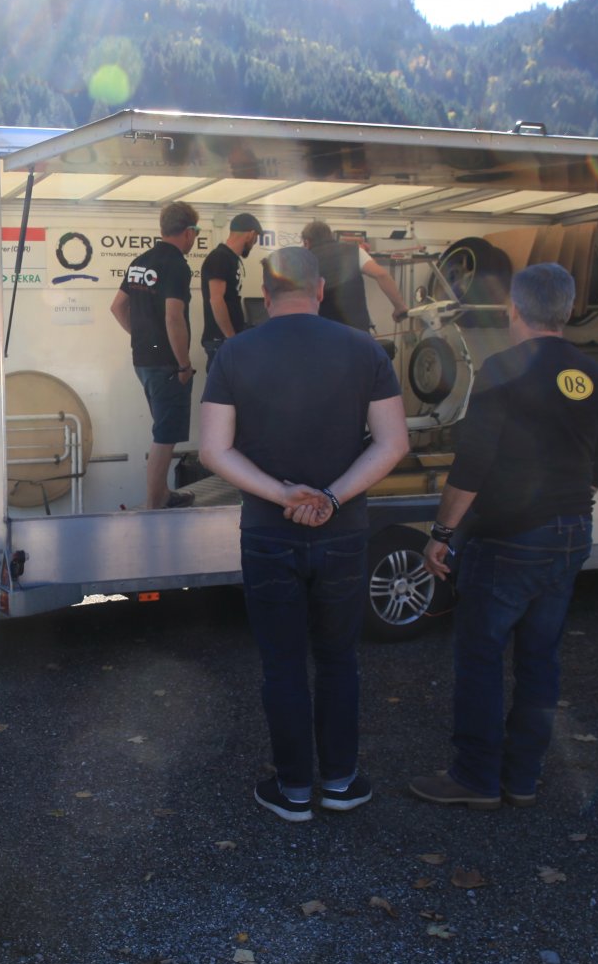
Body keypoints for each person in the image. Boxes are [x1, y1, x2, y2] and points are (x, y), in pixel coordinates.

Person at [199, 246, 408, 822]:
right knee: (339, 661)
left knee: (283, 665)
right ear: (319, 291)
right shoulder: (364, 348)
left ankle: (293, 790)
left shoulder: (235, 352)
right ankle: (340, 782)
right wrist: (332, 498)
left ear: (264, 296)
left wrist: (282, 495)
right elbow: (393, 443)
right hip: (344, 533)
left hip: (269, 533)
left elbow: (214, 450)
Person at [409, 263, 598, 810]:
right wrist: (567, 505)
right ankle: (522, 777)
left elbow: (473, 463)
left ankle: (476, 777)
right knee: (540, 659)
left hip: (510, 538)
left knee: (480, 657)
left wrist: (441, 533)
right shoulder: (596, 374)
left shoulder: (504, 368)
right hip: (572, 532)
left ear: (513, 310)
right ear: (567, 311)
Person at [111, 200, 200, 510]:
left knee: (163, 427)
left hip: (144, 360)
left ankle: (160, 494)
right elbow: (173, 317)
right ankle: (155, 502)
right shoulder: (176, 265)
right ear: (188, 232)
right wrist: (184, 364)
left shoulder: (140, 261)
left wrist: (141, 338)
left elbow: (117, 307)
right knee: (165, 434)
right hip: (167, 365)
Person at [300, 219, 410, 336]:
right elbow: (381, 275)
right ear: (330, 236)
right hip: (357, 332)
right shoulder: (355, 251)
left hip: (322, 332)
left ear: (307, 242)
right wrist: (400, 307)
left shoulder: (303, 260)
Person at [200, 213, 262, 372]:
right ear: (251, 234)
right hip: (221, 341)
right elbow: (216, 300)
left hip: (227, 340)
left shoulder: (230, 259)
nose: (253, 244)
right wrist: (230, 337)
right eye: (255, 240)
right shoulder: (220, 257)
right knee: (220, 386)